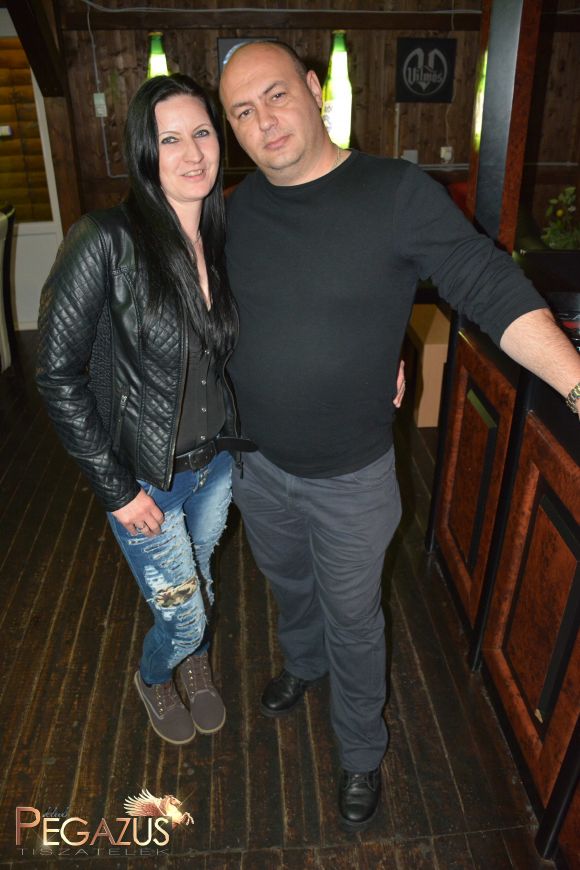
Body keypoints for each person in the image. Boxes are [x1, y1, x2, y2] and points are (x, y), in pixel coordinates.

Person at [219, 41, 580, 830]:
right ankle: (301, 662)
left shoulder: (394, 191)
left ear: (313, 88)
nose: (263, 121)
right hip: (256, 465)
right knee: (288, 586)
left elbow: (485, 282)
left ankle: (359, 752)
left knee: (355, 622)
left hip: (350, 477)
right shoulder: (235, 209)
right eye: (242, 111)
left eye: (275, 95)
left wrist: (576, 383)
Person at [36, 74, 254, 747]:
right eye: (170, 139)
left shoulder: (222, 237)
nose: (193, 152)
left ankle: (194, 662)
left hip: (215, 466)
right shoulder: (105, 238)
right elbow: (55, 374)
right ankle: (159, 673)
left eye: (203, 133)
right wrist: (117, 489)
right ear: (144, 151)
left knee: (202, 576)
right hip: (145, 483)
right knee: (184, 614)